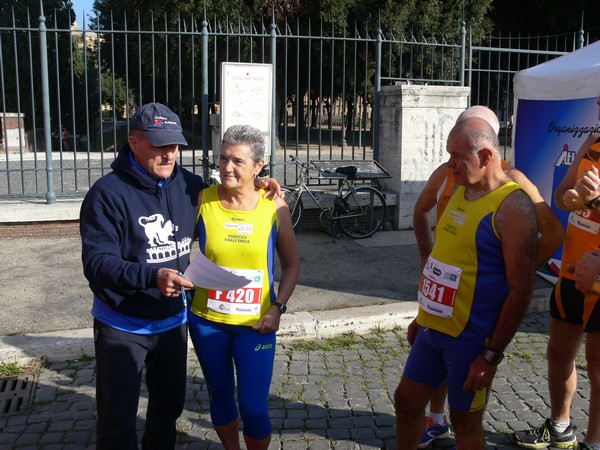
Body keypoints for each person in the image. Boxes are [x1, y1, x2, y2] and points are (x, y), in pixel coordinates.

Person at [80, 103, 281, 449]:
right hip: (122, 324)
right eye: (160, 145)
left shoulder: (189, 187)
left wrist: (256, 182)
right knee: (118, 419)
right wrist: (151, 276)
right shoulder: (106, 194)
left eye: (174, 145)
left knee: (167, 409)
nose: (170, 154)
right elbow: (97, 263)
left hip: (172, 323)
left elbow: (229, 192)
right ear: (134, 142)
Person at [409, 106, 565, 448]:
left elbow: (553, 235)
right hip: (438, 316)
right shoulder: (455, 179)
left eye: (457, 153)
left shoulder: (515, 187)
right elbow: (423, 213)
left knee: (466, 418)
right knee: (407, 399)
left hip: (472, 325)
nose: (450, 162)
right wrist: (426, 264)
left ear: (485, 150)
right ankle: (435, 420)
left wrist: (511, 270)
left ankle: (439, 419)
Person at [188, 124, 300, 450]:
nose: (227, 168)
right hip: (207, 322)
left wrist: (278, 307)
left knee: (253, 406)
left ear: (258, 167)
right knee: (220, 395)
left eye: (238, 161)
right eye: (223, 159)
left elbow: (292, 265)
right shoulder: (203, 200)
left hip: (256, 325)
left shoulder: (273, 206)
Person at [512, 105, 600, 449]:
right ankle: (560, 427)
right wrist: (575, 197)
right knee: (559, 353)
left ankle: (594, 443)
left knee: (597, 367)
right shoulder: (593, 141)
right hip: (571, 271)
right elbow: (562, 199)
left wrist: (593, 203)